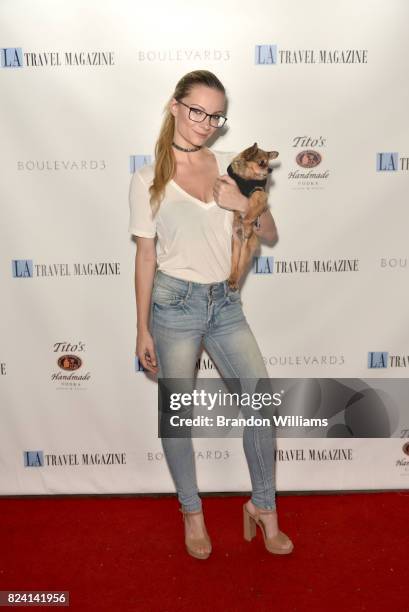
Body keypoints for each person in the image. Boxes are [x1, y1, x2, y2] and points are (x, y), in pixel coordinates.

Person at [128, 69, 293, 559]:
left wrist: (241, 201)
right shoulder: (147, 179)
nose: (206, 123)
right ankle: (191, 512)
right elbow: (145, 257)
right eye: (198, 110)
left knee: (259, 404)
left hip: (225, 304)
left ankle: (264, 507)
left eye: (216, 115)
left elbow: (269, 234)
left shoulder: (230, 164)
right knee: (177, 418)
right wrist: (141, 328)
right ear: (175, 105)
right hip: (173, 305)